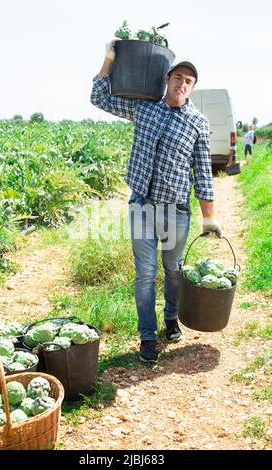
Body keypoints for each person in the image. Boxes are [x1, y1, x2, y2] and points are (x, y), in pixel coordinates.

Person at [90, 41, 222, 363]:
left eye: (188, 81)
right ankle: (147, 335)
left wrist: (209, 218)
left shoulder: (197, 123)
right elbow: (99, 97)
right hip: (142, 205)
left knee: (173, 271)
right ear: (167, 79)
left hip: (176, 210)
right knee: (146, 273)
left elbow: (203, 172)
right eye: (178, 77)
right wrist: (109, 58)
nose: (182, 84)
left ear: (192, 88)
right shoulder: (144, 108)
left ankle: (171, 317)